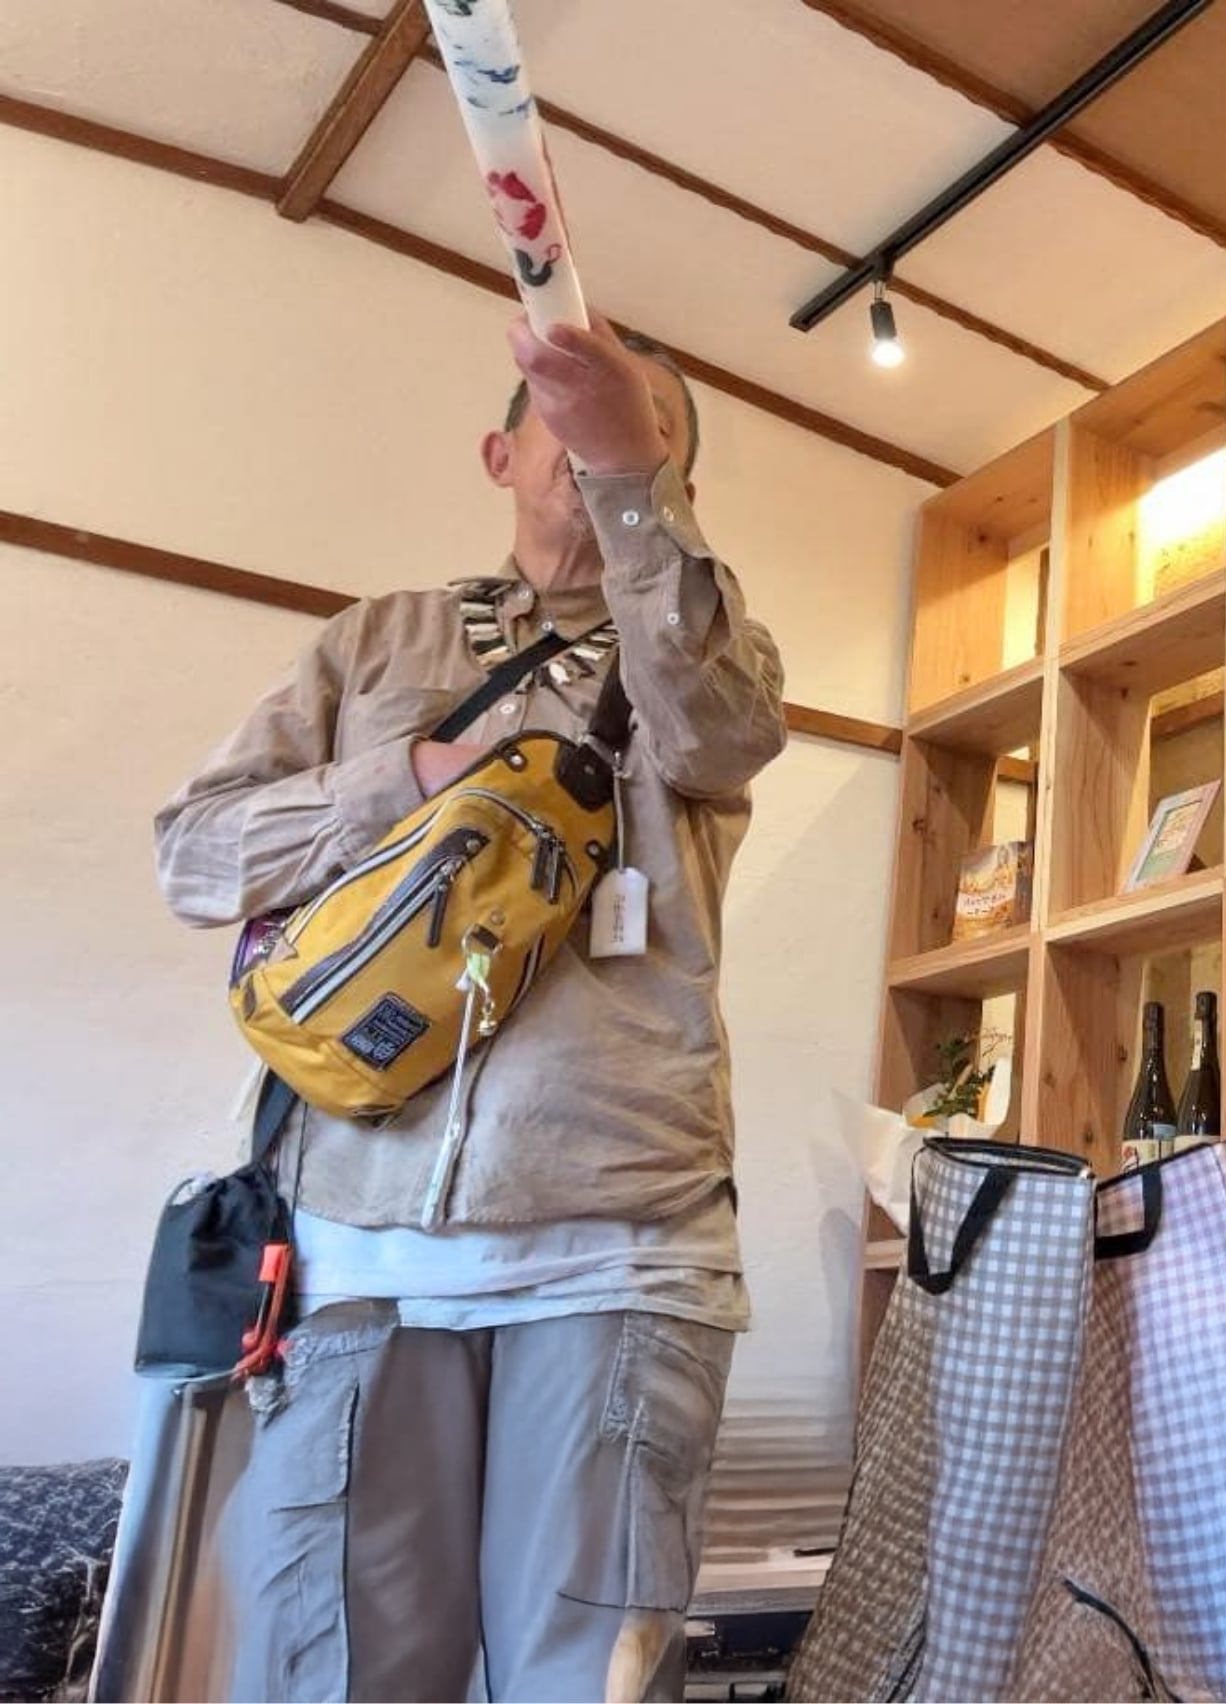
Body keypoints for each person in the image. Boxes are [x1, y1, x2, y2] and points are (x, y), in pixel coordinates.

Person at [154, 314, 787, 1702]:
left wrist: (631, 490)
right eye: (568, 413)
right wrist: (402, 778)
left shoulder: (705, 649)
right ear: (499, 455)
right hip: (354, 1251)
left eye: (644, 426)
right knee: (340, 1677)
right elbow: (191, 856)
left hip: (627, 1248)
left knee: (587, 1680)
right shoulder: (375, 643)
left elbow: (723, 736)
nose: (600, 437)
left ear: (676, 482)